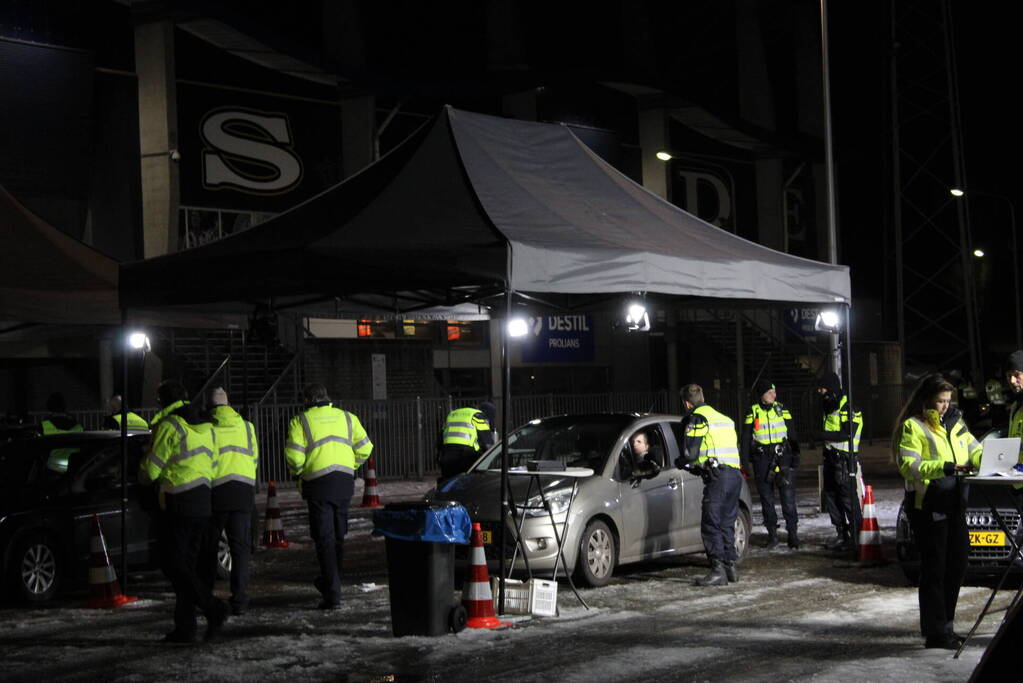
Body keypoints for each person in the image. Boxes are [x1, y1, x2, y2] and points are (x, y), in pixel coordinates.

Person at [894, 374, 982, 649]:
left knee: (957, 565)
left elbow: (974, 449)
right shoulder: (914, 426)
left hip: (954, 502)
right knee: (935, 570)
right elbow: (909, 466)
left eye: (948, 401)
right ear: (927, 401)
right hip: (928, 505)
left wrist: (987, 459)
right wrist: (945, 467)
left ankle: (946, 626)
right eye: (940, 401)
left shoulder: (956, 424)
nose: (945, 406)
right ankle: (936, 632)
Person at [139, 380, 228, 643]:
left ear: (162, 402)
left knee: (173, 564)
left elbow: (151, 471)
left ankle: (212, 608)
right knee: (186, 566)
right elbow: (213, 463)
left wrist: (143, 471)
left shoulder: (170, 425)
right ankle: (185, 626)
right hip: (204, 500)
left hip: (177, 502)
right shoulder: (206, 425)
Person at [284, 383, 373, 609]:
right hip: (344, 482)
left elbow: (294, 457)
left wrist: (301, 473)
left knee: (324, 539)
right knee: (339, 536)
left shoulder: (300, 420)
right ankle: (331, 582)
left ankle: (332, 593)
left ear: (307, 400)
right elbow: (365, 447)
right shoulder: (347, 417)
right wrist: (349, 465)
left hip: (317, 484)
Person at [675, 384, 742, 586]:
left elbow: (691, 454)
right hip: (735, 476)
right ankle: (731, 568)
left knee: (710, 524)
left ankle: (717, 570)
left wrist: (682, 462)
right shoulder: (725, 420)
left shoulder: (698, 418)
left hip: (718, 478)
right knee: (727, 523)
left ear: (687, 403)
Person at [201, 387, 258, 616]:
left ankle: (205, 596)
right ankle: (240, 599)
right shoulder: (247, 426)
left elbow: (206, 459)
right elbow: (254, 457)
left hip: (216, 491)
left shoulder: (208, 428)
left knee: (209, 547)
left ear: (209, 406)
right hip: (244, 490)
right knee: (240, 548)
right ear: (228, 404)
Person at [740, 379, 801, 549]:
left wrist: (796, 453)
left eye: (774, 392)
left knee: (788, 498)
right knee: (767, 499)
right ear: (762, 395)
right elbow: (745, 438)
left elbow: (792, 432)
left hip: (783, 458)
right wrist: (744, 462)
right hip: (762, 460)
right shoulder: (752, 412)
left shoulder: (782, 409)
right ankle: (772, 535)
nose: (774, 395)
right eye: (770, 392)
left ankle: (793, 535)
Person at [815, 371, 863, 552]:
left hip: (844, 460)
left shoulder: (849, 407)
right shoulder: (829, 406)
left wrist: (821, 436)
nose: (820, 392)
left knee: (848, 499)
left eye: (822, 388)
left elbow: (846, 434)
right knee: (831, 497)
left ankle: (857, 536)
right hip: (830, 459)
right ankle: (842, 534)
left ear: (831, 388)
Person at [437, 401, 496, 482]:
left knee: (449, 483)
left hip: (447, 455)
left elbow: (439, 441)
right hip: (466, 456)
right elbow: (487, 444)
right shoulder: (479, 415)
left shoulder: (452, 414)